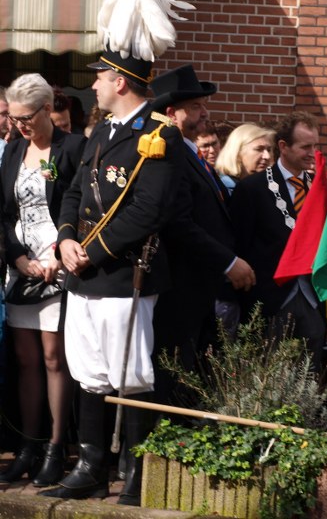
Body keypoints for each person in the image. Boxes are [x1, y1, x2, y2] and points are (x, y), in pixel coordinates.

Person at [44, 42, 184, 503]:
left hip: (125, 274)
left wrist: (92, 251)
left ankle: (137, 470)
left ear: (120, 81)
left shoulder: (160, 133)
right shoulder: (102, 132)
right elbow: (74, 194)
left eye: (100, 78)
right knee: (89, 373)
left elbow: (150, 209)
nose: (95, 85)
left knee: (131, 375)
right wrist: (66, 239)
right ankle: (91, 465)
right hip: (83, 272)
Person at [149, 64, 255, 406]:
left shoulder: (191, 153)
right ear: (171, 113)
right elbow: (179, 222)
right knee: (175, 378)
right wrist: (228, 261)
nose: (205, 112)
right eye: (195, 106)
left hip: (201, 288)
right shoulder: (170, 155)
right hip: (180, 287)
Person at [0, 74, 85, 487]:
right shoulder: (14, 150)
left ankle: (55, 448)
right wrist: (16, 257)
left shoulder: (73, 147)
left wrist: (56, 253)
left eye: (26, 117)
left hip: (58, 265)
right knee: (26, 361)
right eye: (14, 118)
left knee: (54, 359)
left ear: (47, 109)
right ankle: (28, 447)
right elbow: (4, 212)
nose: (19, 125)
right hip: (21, 267)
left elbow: (82, 207)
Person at [231, 112, 325, 368]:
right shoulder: (252, 189)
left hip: (312, 297)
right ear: (283, 146)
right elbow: (240, 245)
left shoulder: (320, 187)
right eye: (306, 146)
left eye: (315, 146)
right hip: (269, 301)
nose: (312, 152)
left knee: (309, 375)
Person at [215, 123, 274, 195]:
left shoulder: (269, 188)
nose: (267, 156)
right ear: (237, 152)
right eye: (259, 149)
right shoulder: (221, 189)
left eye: (269, 150)